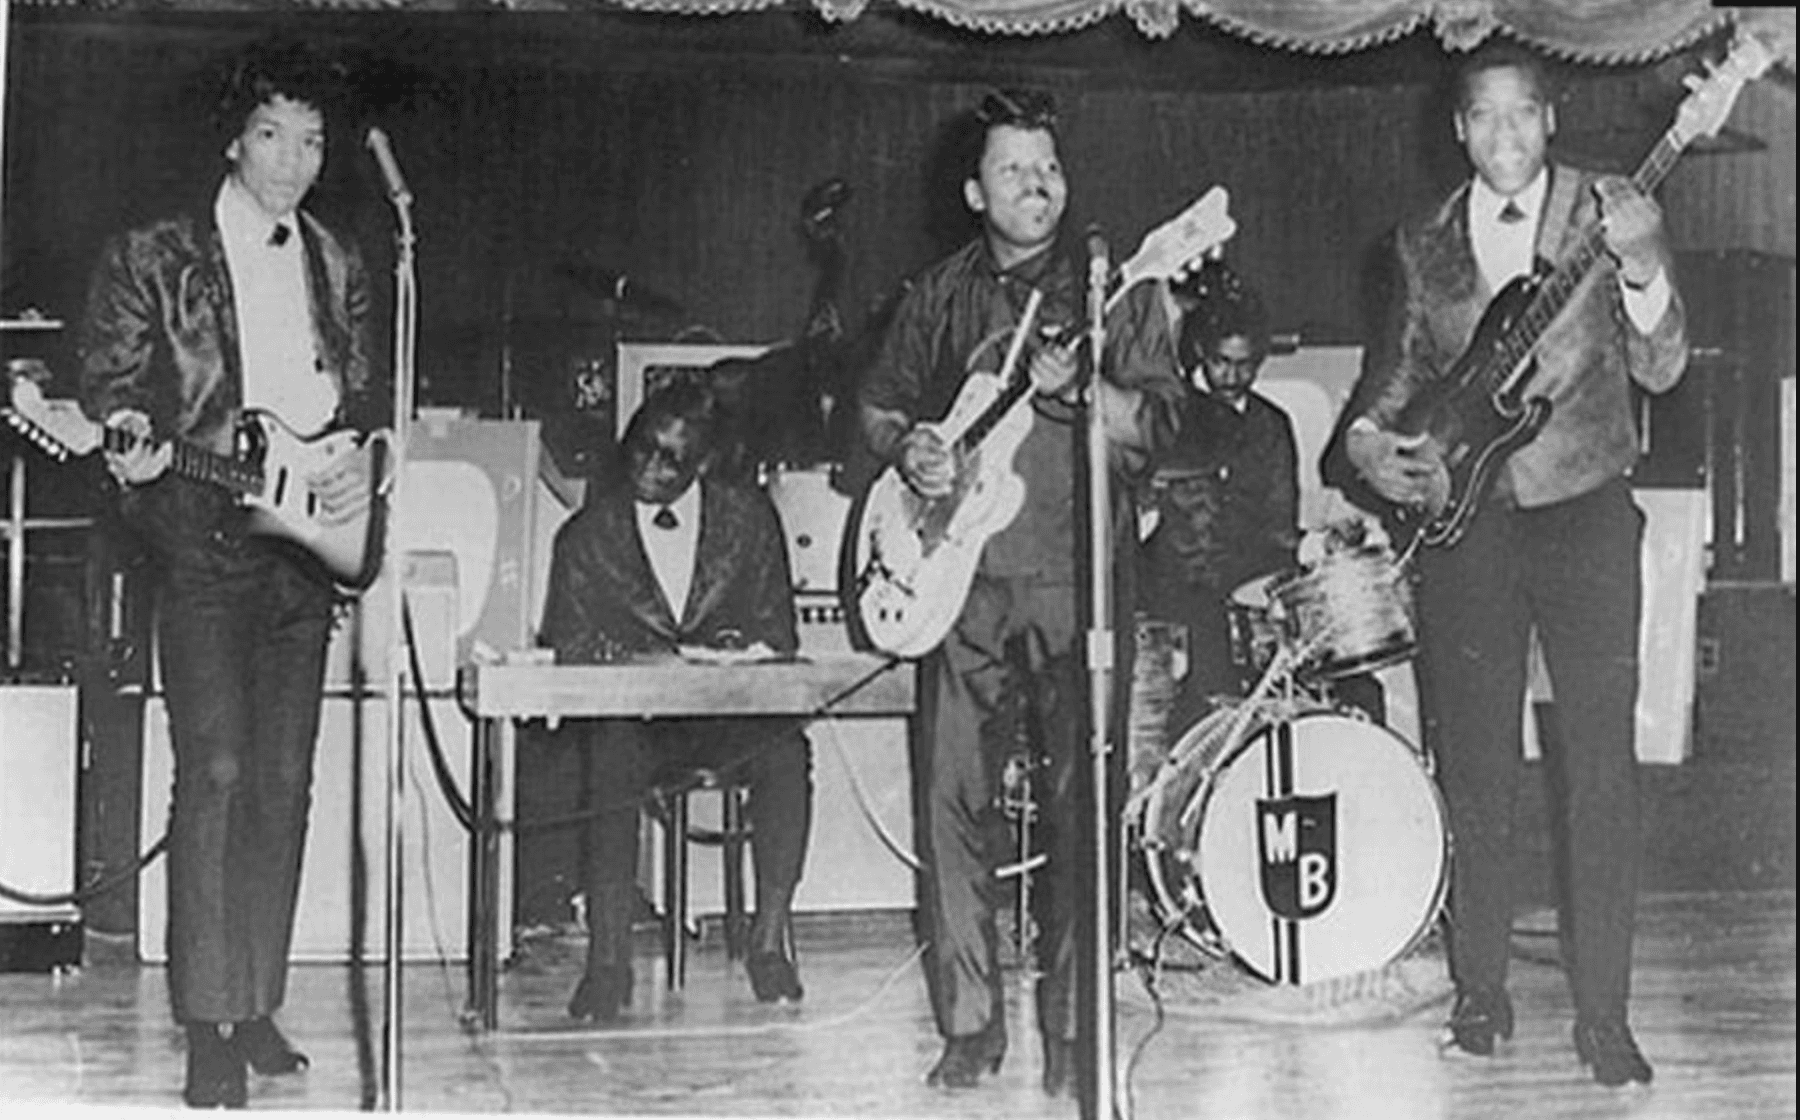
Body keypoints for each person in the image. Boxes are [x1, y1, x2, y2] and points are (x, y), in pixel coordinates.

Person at [1326, 42, 1686, 1087]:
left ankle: (1606, 1019)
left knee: (1600, 772)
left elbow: (1663, 364)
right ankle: (1480, 992)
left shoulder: (1610, 212)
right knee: (1476, 768)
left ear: (1551, 117)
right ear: (1459, 129)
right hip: (1466, 528)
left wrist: (1645, 269)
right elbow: (1393, 380)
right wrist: (1365, 447)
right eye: (1483, 117)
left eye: (1521, 113)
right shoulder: (1421, 242)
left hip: (1587, 517)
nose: (1504, 135)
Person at [76, 39, 384, 1109]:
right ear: (232, 139)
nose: (293, 161)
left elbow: (363, 402)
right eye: (272, 135)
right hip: (200, 542)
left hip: (305, 554)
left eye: (312, 141)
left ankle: (255, 1001)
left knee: (284, 782)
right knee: (213, 770)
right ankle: (206, 1019)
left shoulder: (340, 260)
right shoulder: (151, 256)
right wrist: (130, 443)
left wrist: (363, 467)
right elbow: (111, 388)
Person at [858, 88, 1184, 1095]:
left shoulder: (1121, 292)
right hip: (960, 586)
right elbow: (877, 406)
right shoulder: (938, 293)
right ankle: (970, 1028)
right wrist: (909, 450)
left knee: (1087, 807)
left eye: (1047, 166)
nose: (1035, 184)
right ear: (974, 191)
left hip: (1080, 585)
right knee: (952, 802)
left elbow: (1160, 429)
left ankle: (1077, 1028)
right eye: (1012, 168)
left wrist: (1086, 389)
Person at [538, 380, 813, 1022]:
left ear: (704, 462)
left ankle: (769, 942)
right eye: (641, 448)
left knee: (787, 753)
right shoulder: (584, 537)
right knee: (609, 755)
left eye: (672, 460)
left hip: (727, 720)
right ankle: (608, 964)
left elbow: (781, 635)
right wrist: (620, 658)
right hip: (637, 725)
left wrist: (738, 648)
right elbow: (566, 644)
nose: (650, 468)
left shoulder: (751, 521)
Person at [1139, 262, 1298, 733]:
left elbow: (1279, 526)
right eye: (1221, 362)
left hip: (1248, 596)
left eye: (1245, 364)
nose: (1232, 375)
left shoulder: (1271, 426)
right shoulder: (1168, 415)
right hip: (1175, 597)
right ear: (1201, 353)